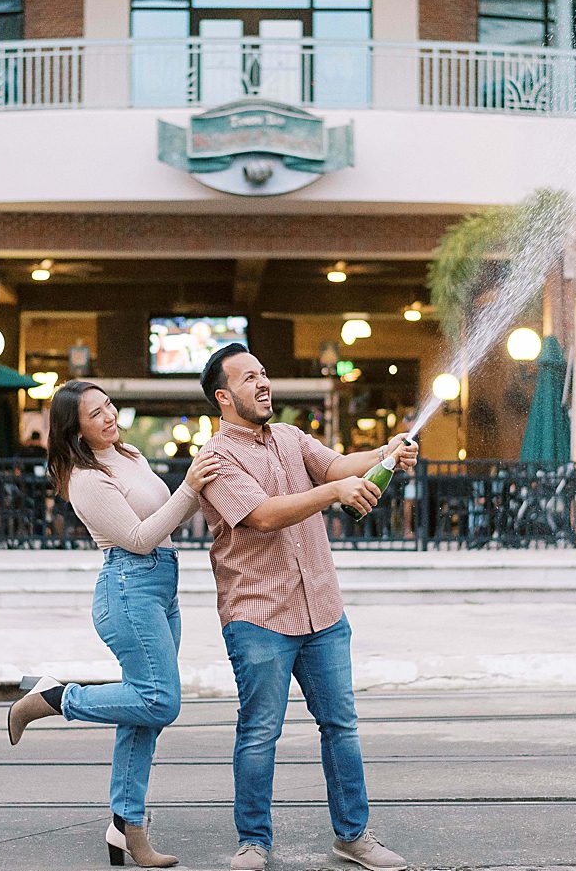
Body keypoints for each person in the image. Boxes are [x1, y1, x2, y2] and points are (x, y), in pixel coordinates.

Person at [195, 344, 418, 871]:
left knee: (340, 724)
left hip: (322, 609)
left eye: (264, 373)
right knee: (259, 731)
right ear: (224, 397)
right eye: (250, 378)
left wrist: (386, 452)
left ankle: (354, 836)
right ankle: (253, 842)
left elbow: (337, 465)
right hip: (259, 615)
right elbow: (265, 515)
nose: (264, 383)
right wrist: (335, 491)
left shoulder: (291, 437)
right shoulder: (215, 459)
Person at [7, 381, 222, 869]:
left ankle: (127, 827)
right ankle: (55, 698)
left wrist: (204, 486)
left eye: (108, 406)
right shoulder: (86, 478)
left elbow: (170, 514)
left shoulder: (128, 455)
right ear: (75, 430)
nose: (108, 416)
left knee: (142, 717)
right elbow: (140, 538)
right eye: (94, 414)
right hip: (128, 590)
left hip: (161, 588)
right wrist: (190, 485)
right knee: (160, 701)